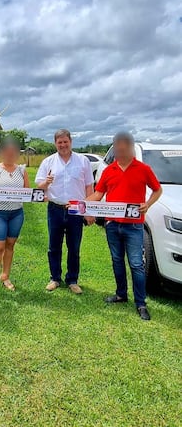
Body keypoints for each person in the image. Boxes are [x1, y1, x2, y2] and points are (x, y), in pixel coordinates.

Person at [87, 131, 162, 320]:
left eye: (124, 146)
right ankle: (121, 294)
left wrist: (148, 204)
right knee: (117, 261)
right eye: (117, 146)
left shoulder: (143, 169)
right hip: (112, 225)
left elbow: (157, 189)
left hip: (134, 226)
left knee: (136, 264)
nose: (121, 149)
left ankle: (141, 303)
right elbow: (97, 195)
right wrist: (79, 204)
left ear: (130, 146)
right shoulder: (108, 171)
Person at [36, 129, 94, 294]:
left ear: (71, 142)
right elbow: (39, 187)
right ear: (55, 144)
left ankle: (72, 280)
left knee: (74, 247)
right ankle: (55, 278)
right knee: (54, 246)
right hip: (55, 208)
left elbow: (89, 186)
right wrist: (45, 183)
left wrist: (89, 211)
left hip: (76, 210)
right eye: (59, 142)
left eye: (65, 142)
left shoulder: (83, 161)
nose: (62, 145)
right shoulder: (48, 162)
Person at [0, 138, 30, 300]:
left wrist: (40, 195)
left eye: (14, 151)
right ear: (2, 152)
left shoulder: (22, 170)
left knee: (10, 245)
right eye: (7, 151)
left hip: (16, 213)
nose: (10, 154)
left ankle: (5, 276)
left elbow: (27, 192)